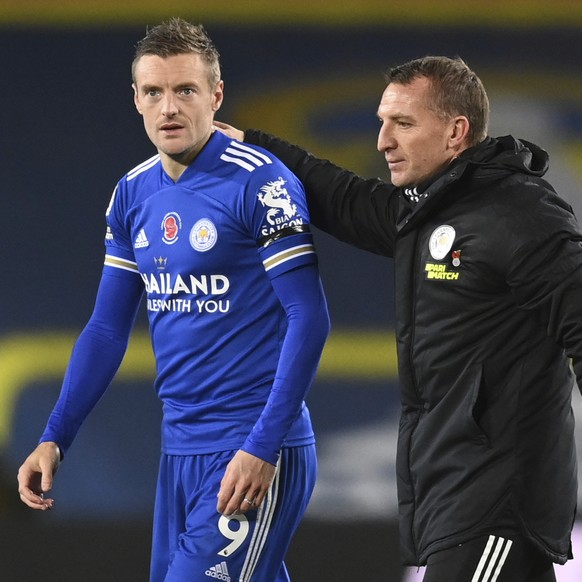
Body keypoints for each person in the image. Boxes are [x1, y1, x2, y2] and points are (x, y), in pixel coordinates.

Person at [215, 55, 582, 581]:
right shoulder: (432, 212)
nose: (383, 141)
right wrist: (253, 146)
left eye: (403, 124)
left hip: (496, 500)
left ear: (457, 132)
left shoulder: (520, 217)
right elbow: (342, 197)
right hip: (457, 496)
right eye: (382, 123)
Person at [17, 18, 330, 582]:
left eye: (185, 90)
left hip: (253, 446)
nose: (170, 108)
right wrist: (54, 437)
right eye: (155, 92)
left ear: (215, 95)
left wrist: (263, 446)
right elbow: (107, 331)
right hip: (179, 449)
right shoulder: (132, 193)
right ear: (135, 100)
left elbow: (309, 317)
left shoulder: (262, 184)